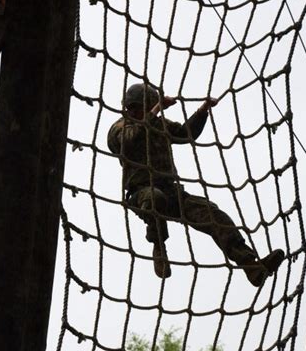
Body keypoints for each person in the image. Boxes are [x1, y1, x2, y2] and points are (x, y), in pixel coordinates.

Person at [107, 82, 284, 286]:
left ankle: (250, 265)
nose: (142, 112)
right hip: (142, 193)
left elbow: (185, 133)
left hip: (172, 192)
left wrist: (202, 111)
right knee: (155, 198)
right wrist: (156, 110)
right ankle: (158, 245)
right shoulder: (120, 128)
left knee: (213, 215)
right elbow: (128, 140)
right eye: (142, 108)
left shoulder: (158, 124)